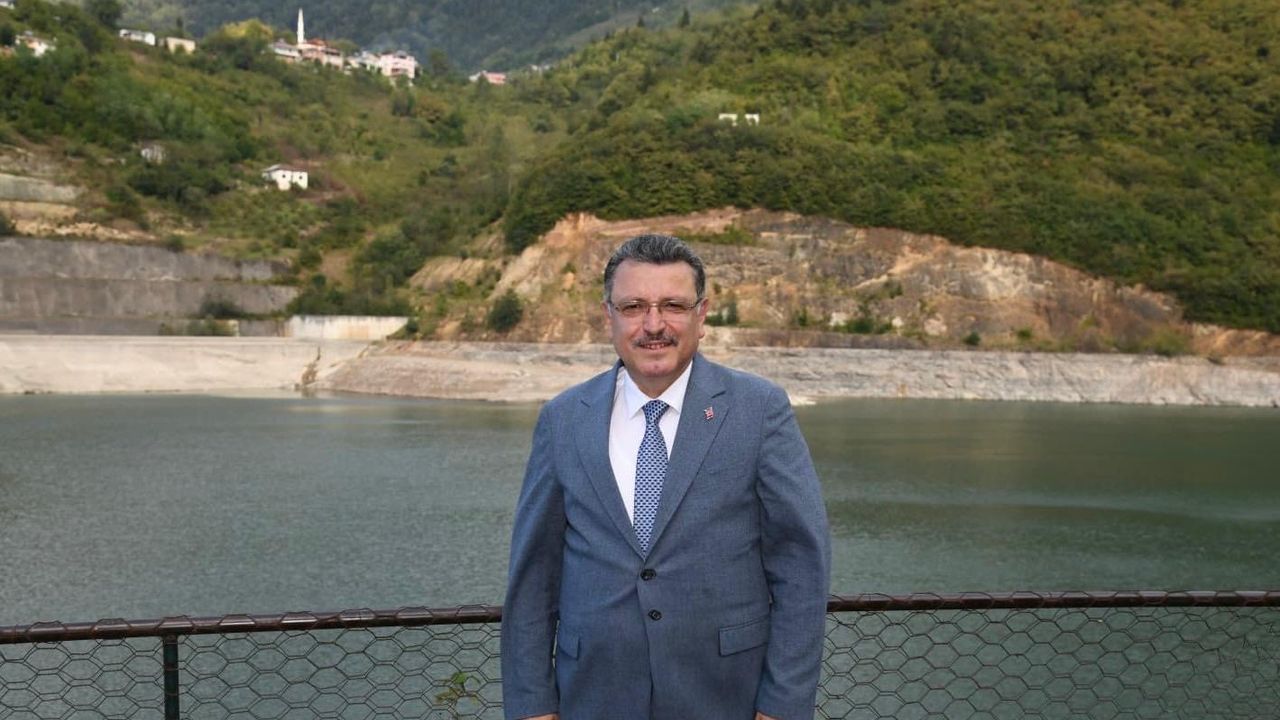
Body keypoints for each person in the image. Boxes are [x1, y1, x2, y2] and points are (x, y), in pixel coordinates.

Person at [501, 234, 831, 720]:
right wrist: (532, 706)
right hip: (592, 698)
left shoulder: (759, 410)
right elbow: (534, 576)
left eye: (672, 306)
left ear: (702, 314)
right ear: (608, 316)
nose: (653, 325)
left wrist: (782, 706)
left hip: (726, 698)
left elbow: (801, 565)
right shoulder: (563, 419)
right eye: (633, 306)